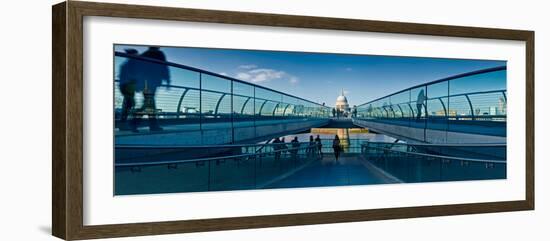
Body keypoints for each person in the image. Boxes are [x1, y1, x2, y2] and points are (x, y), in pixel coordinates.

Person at [134, 46, 171, 131]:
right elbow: (164, 66)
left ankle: (150, 125)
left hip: (144, 82)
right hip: (151, 81)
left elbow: (138, 69)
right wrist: (167, 80)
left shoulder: (144, 54)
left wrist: (138, 83)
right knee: (149, 103)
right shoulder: (159, 54)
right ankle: (135, 122)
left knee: (149, 103)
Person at [117, 48, 140, 132]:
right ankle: (124, 125)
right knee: (128, 105)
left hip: (129, 88)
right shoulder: (128, 65)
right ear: (132, 55)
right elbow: (126, 78)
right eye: (136, 54)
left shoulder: (129, 65)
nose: (138, 56)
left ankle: (124, 125)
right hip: (128, 88)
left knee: (128, 105)